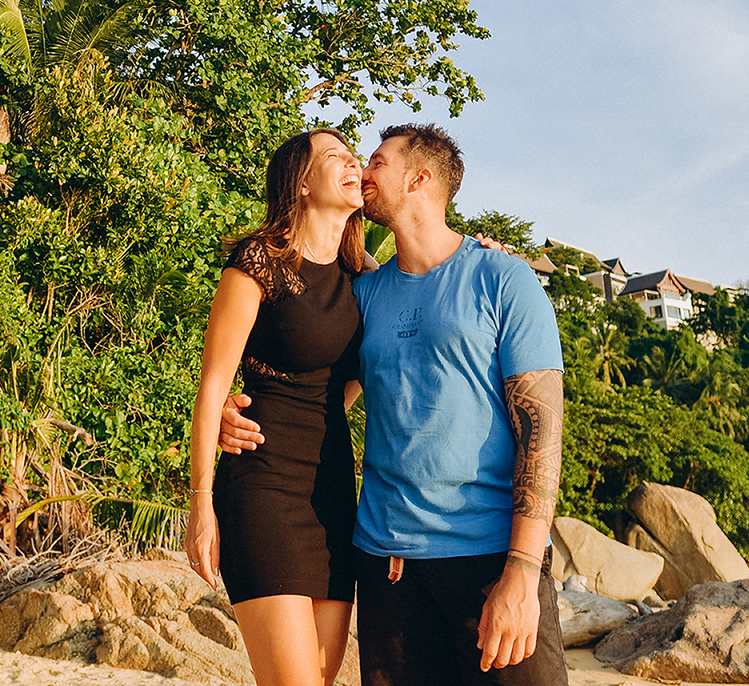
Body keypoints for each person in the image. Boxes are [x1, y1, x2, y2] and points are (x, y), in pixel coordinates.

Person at [222, 123, 565, 685]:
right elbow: (314, 377)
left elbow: (541, 431)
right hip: (387, 570)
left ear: (420, 179)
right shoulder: (364, 292)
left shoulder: (503, 278)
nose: (362, 169)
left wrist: (523, 572)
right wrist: (233, 414)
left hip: (487, 561)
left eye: (377, 161)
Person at [185, 127, 368, 686]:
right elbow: (213, 384)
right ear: (302, 181)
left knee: (318, 674)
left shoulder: (366, 280)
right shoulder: (258, 263)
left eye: (354, 156)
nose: (353, 164)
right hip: (263, 485)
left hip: (334, 491)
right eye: (335, 156)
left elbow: (354, 376)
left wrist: (488, 253)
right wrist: (201, 504)